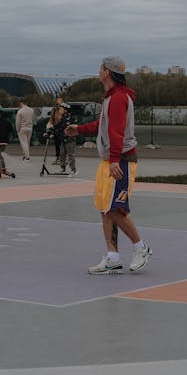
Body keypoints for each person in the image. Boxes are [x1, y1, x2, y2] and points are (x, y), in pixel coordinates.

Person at [66, 56, 151, 274]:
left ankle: (141, 247)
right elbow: (103, 125)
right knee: (105, 209)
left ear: (107, 73)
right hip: (110, 161)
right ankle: (112, 256)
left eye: (100, 68)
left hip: (121, 160)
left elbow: (117, 132)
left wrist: (114, 160)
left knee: (115, 209)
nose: (98, 71)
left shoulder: (119, 98)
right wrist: (81, 129)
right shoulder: (111, 98)